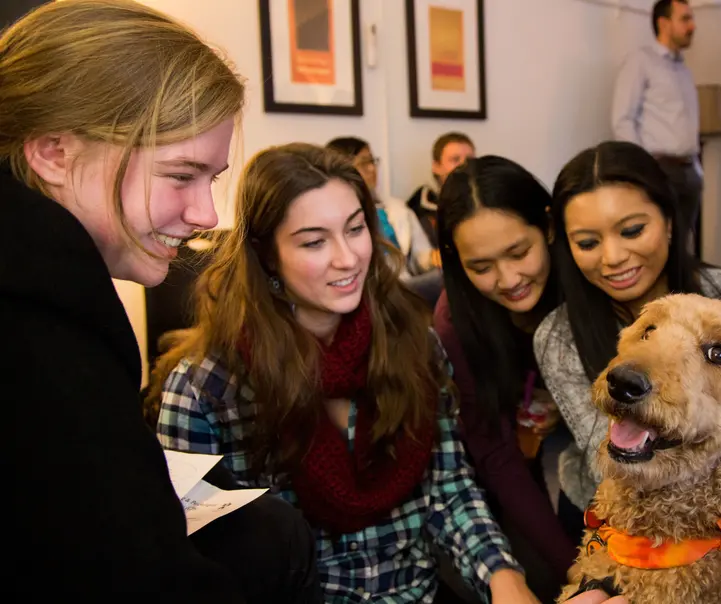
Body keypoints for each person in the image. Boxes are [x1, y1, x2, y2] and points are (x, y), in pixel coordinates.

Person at [0, 1, 319, 601]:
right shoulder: (42, 329)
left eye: (212, 180)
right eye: (180, 176)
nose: (205, 215)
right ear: (53, 153)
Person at [151, 143, 540, 604]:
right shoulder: (207, 389)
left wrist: (503, 578)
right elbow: (193, 559)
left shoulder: (414, 345)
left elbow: (449, 491)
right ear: (267, 255)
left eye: (356, 229)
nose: (348, 258)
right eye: (314, 241)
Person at [534, 141, 721, 544]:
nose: (613, 257)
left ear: (669, 221)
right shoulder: (558, 335)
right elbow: (616, 463)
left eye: (633, 230)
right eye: (587, 243)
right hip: (611, 520)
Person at [434, 156, 577, 601]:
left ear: (549, 228)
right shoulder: (455, 325)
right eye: (482, 267)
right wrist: (578, 572)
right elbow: (497, 457)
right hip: (501, 469)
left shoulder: (586, 277)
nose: (509, 279)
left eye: (519, 253)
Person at [612, 0, 702, 245]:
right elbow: (623, 120)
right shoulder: (641, 62)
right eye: (685, 19)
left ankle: (680, 285)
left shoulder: (684, 69)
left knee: (681, 248)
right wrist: (644, 169)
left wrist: (696, 168)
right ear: (663, 23)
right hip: (659, 170)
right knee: (658, 244)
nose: (693, 26)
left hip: (688, 171)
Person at [326, 136, 443, 305]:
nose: (372, 169)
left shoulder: (397, 208)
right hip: (368, 290)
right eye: (364, 163)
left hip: (406, 285)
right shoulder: (334, 216)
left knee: (450, 276)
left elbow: (420, 256)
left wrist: (434, 258)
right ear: (342, 168)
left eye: (373, 161)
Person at [407, 131, 476, 247]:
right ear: (436, 167)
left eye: (469, 160)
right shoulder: (420, 210)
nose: (464, 165)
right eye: (455, 159)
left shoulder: (490, 201)